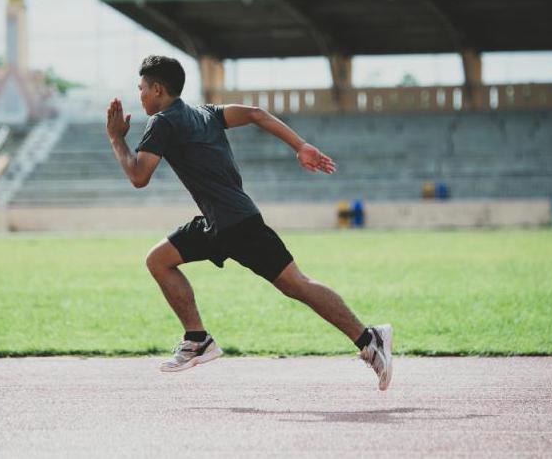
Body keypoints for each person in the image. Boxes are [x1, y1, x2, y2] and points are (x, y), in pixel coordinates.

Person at [106, 55, 393, 390]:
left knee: (296, 284)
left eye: (141, 88)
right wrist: (299, 145)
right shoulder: (206, 113)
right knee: (159, 260)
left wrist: (116, 138)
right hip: (222, 222)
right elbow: (256, 114)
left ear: (157, 89)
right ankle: (197, 339)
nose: (139, 95)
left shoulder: (163, 122)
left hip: (236, 224)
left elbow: (139, 176)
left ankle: (368, 338)